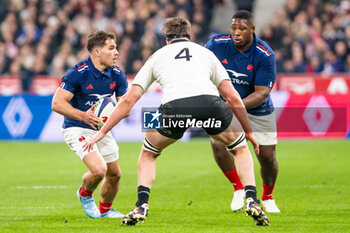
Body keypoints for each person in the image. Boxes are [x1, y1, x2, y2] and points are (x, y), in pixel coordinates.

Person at [83, 17, 270, 226]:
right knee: (240, 148)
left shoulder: (157, 56)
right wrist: (249, 131)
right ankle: (252, 199)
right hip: (210, 104)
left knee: (148, 153)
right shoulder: (205, 53)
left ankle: (141, 205)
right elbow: (233, 97)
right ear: (188, 36)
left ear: (166, 40)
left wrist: (102, 131)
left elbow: (129, 100)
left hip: (174, 108)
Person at [205, 10, 280, 213]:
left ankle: (268, 196)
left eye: (242, 29)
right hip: (227, 107)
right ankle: (239, 188)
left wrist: (235, 104)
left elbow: (262, 93)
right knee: (218, 144)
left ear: (252, 30)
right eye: (234, 28)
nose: (236, 33)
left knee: (267, 157)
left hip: (258, 110)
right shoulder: (216, 44)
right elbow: (201, 69)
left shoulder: (265, 54)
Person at [51, 31, 128, 219]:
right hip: (76, 127)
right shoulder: (77, 73)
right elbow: (57, 103)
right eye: (111, 48)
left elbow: (125, 106)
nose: (117, 52)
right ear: (97, 52)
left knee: (115, 174)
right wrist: (83, 116)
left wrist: (116, 113)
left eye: (116, 47)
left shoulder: (117, 74)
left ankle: (105, 210)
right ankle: (85, 194)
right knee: (99, 170)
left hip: (100, 128)